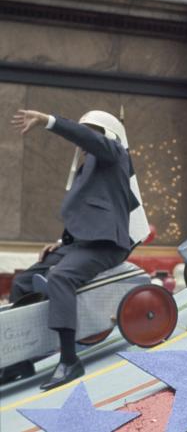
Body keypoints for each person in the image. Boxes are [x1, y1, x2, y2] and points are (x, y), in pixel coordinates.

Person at [9, 108, 148, 390]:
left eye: (92, 131)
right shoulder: (88, 169)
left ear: (108, 135)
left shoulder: (115, 154)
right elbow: (88, 216)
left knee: (61, 277)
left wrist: (48, 121)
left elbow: (89, 138)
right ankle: (20, 362)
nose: (84, 138)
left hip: (107, 245)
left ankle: (69, 360)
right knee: (22, 282)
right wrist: (62, 243)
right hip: (81, 245)